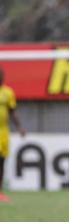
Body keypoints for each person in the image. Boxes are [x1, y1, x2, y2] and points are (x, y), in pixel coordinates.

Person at [0, 68, 26, 202]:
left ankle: (0, 192)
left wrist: (19, 127)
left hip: (3, 131)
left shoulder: (8, 92)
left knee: (1, 162)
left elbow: (13, 111)